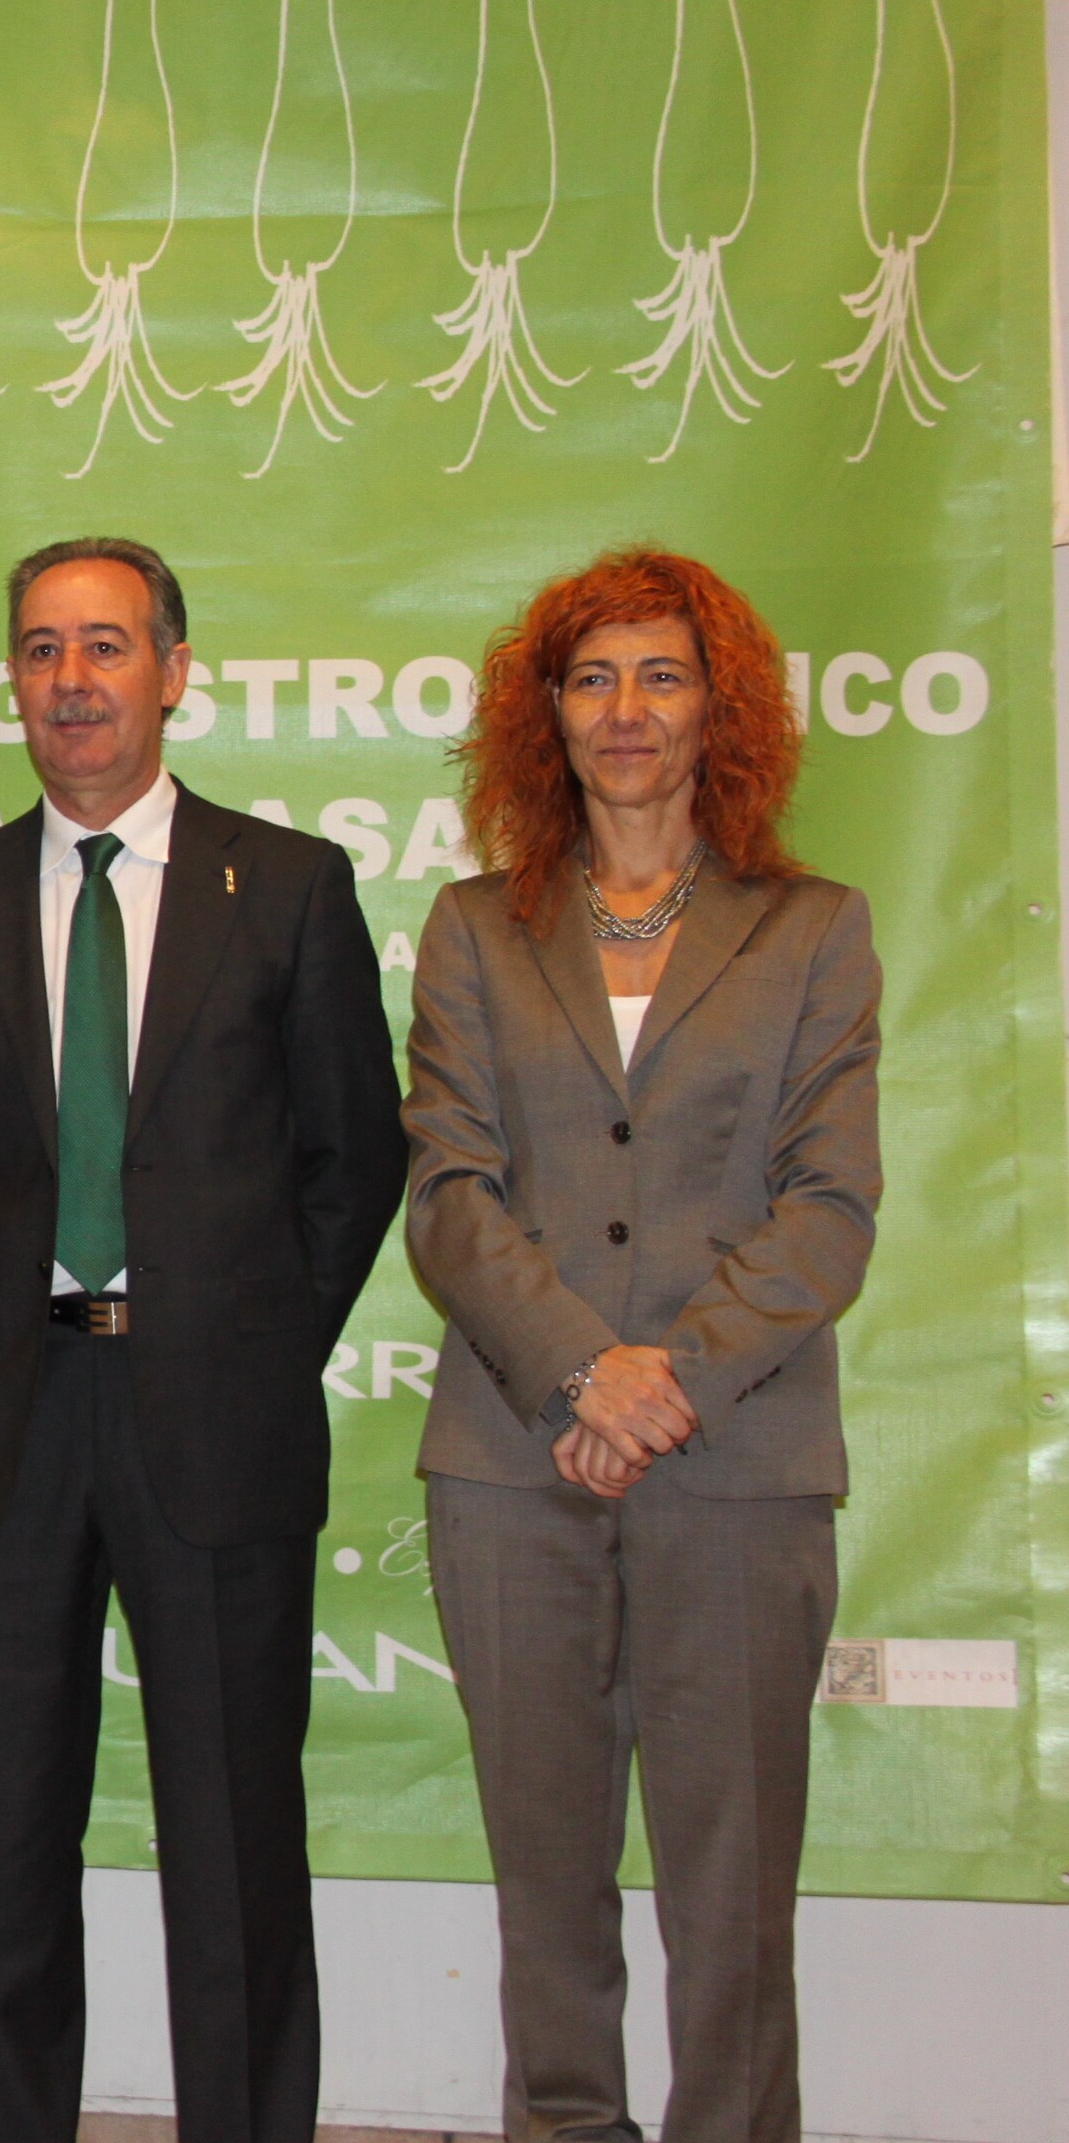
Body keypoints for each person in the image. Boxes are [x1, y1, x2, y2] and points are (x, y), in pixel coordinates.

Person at [0, 537, 404, 2143]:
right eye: (42, 650)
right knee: (13, 1854)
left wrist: (244, 1334)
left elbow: (354, 1157)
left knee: (235, 1851)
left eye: (106, 647)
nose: (73, 681)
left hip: (218, 1421)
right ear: (13, 683)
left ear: (172, 669)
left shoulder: (292, 885)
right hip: (10, 1417)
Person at [403, 550, 878, 2143]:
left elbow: (830, 1208)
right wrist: (579, 1369)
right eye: (592, 678)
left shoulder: (812, 930)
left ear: (717, 708)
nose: (626, 711)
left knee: (733, 1892)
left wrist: (661, 1377)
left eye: (662, 676)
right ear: (546, 715)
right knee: (547, 1887)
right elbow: (452, 1198)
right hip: (507, 1462)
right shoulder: (477, 929)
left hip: (739, 1465)